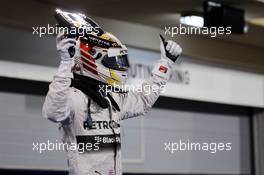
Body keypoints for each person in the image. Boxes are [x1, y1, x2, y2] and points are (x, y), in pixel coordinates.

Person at [43, 14, 182, 175]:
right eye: (115, 60)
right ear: (93, 58)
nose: (120, 65)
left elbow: (143, 100)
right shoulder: (75, 98)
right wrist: (66, 62)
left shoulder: (110, 99)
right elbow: (52, 112)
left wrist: (166, 64)